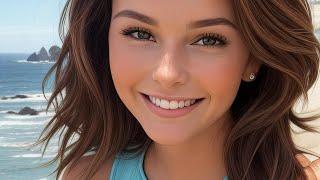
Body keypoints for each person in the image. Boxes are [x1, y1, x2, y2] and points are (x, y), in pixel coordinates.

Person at [32, 0, 320, 179]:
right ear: (102, 40)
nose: (167, 74)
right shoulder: (87, 177)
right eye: (140, 33)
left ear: (252, 57)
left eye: (208, 40)